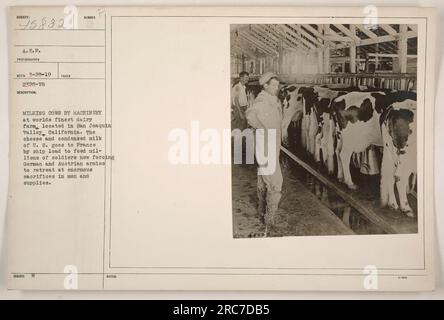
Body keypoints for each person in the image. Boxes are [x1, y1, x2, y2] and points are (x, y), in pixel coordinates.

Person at [245, 72, 283, 227]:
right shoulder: (262, 100)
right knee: (276, 182)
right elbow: (250, 115)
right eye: (273, 85)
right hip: (266, 146)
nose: (277, 88)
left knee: (263, 177)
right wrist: (261, 128)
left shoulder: (272, 100)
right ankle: (270, 218)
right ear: (265, 86)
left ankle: (262, 209)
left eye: (277, 85)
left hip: (271, 145)